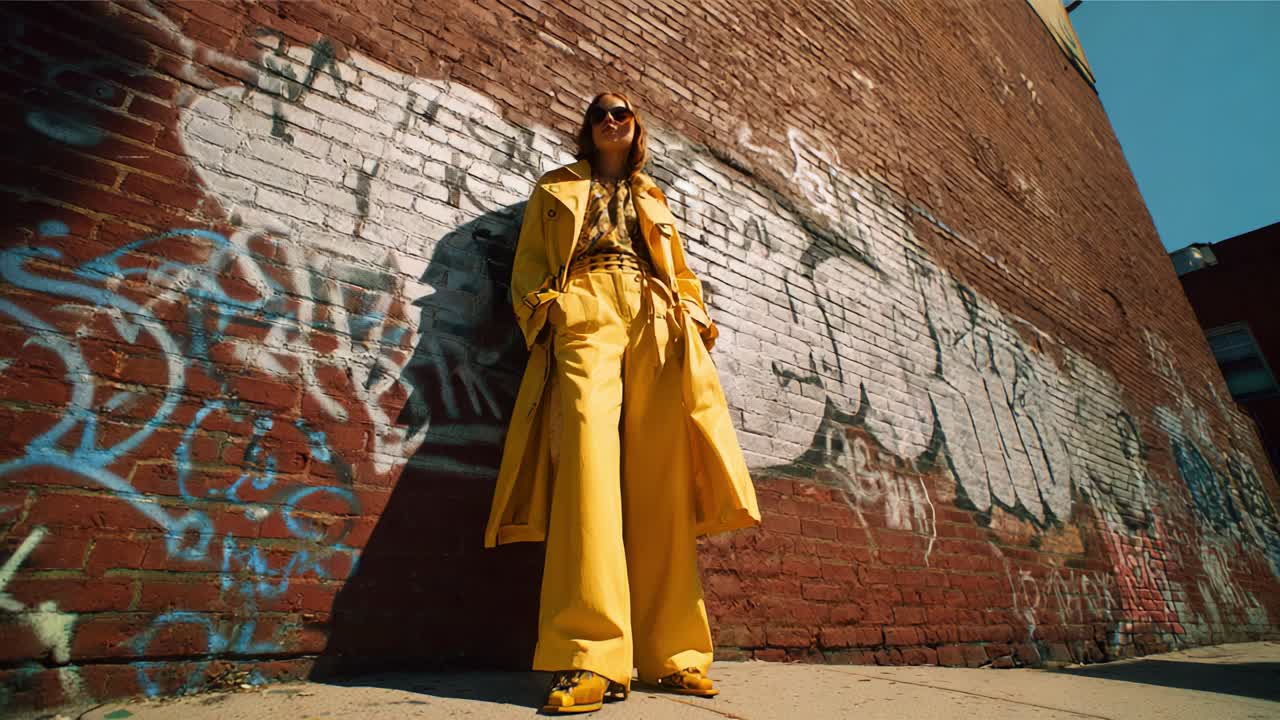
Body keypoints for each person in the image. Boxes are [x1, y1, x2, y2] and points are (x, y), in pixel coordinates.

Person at [484, 92, 761, 715]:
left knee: (660, 484)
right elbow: (528, 264)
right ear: (586, 128)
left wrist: (691, 316)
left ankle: (675, 655)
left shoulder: (654, 198)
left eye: (622, 113)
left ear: (635, 129)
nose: (610, 120)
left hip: (654, 317)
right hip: (585, 304)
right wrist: (548, 310)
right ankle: (588, 655)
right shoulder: (555, 187)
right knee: (587, 472)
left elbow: (681, 272)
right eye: (599, 112)